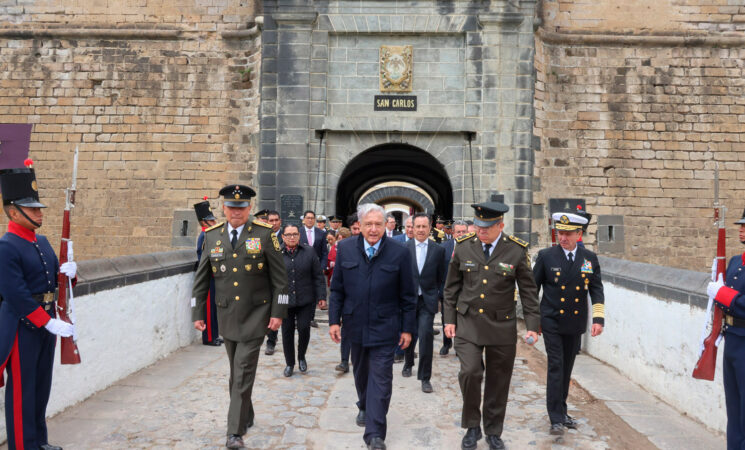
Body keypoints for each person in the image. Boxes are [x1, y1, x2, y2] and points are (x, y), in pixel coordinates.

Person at [191, 184, 289, 449]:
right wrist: (198, 312)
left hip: (257, 314)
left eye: (242, 207)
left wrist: (278, 314)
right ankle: (248, 413)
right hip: (227, 315)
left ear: (250, 208)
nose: (236, 212)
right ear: (224, 208)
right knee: (236, 372)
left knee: (243, 369)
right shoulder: (212, 236)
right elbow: (201, 279)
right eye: (232, 207)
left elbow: (281, 281)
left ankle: (234, 432)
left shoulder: (265, 234)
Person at [443, 202, 541, 450]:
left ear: (500, 225)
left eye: (487, 226)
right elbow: (451, 288)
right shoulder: (464, 247)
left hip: (501, 326)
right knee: (470, 372)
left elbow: (529, 292)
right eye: (478, 225)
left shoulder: (516, 251)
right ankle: (472, 426)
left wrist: (532, 326)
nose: (481, 230)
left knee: (499, 381)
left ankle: (494, 431)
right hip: (468, 324)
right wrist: (449, 320)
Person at [0, 163, 77, 450]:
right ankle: (22, 445)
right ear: (13, 211)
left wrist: (70, 273)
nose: (39, 213)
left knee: (40, 387)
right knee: (22, 391)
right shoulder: (6, 246)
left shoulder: (42, 242)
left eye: (39, 208)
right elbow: (15, 294)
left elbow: (55, 282)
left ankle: (38, 441)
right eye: (32, 209)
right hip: (22, 327)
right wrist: (46, 322)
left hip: (46, 322)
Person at [329, 203, 417, 450]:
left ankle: (375, 432)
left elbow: (408, 296)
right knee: (361, 374)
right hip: (354, 325)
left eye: (378, 224)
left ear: (385, 225)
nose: (374, 229)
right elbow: (336, 290)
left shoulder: (399, 252)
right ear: (360, 225)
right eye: (369, 224)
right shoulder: (345, 249)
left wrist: (407, 329)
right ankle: (364, 405)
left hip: (385, 326)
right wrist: (334, 321)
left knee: (381, 378)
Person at [533, 211, 604, 436]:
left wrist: (598, 319)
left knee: (567, 368)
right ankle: (555, 417)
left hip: (574, 323)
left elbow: (596, 290)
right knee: (556, 366)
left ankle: (562, 411)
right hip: (551, 320)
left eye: (567, 234)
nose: (562, 237)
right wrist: (533, 322)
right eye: (559, 233)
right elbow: (532, 290)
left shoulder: (589, 259)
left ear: (579, 234)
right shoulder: (546, 256)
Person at [707, 208, 745, 449]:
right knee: (733, 406)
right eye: (741, 225)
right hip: (731, 339)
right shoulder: (733, 261)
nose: (741, 229)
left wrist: (723, 293)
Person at [402, 213, 446, 393]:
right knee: (408, 334)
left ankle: (425, 377)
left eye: (423, 227)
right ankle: (408, 362)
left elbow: (442, 278)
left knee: (426, 336)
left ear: (430, 228)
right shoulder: (404, 248)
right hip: (408, 300)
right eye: (417, 226)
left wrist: (439, 297)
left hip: (427, 301)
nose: (420, 230)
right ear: (412, 227)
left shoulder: (438, 250)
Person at [279, 224, 326, 377]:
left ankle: (301, 357)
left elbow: (318, 276)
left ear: (299, 236)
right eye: (288, 234)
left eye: (295, 234)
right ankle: (289, 363)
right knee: (287, 332)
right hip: (284, 300)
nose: (292, 237)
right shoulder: (277, 253)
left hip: (305, 298)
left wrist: (321, 297)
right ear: (283, 236)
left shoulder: (309, 251)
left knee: (304, 328)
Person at [194, 198, 222, 346]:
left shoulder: (210, 235)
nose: (214, 222)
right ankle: (209, 337)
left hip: (215, 275)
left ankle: (215, 334)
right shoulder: (204, 236)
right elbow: (203, 256)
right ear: (204, 222)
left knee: (215, 307)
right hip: (208, 275)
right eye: (211, 221)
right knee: (209, 309)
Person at [439, 220, 469, 356]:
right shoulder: (444, 248)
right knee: (447, 317)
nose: (461, 234)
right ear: (452, 232)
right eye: (458, 232)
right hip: (447, 289)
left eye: (464, 232)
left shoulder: (472, 248)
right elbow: (438, 271)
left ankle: (459, 345)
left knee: (463, 318)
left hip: (465, 291)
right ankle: (446, 343)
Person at [300, 210, 328, 329]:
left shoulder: (320, 233)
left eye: (312, 218)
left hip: (316, 268)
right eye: (308, 218)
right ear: (304, 219)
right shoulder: (299, 232)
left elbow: (324, 252)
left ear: (315, 220)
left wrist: (322, 267)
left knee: (313, 294)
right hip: (301, 267)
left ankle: (311, 318)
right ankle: (299, 318)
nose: (310, 220)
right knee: (301, 291)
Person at [264, 210, 282, 355]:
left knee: (280, 312)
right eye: (271, 220)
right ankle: (269, 339)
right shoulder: (261, 237)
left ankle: (272, 341)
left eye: (276, 220)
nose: (274, 223)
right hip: (266, 281)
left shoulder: (288, 235)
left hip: (284, 280)